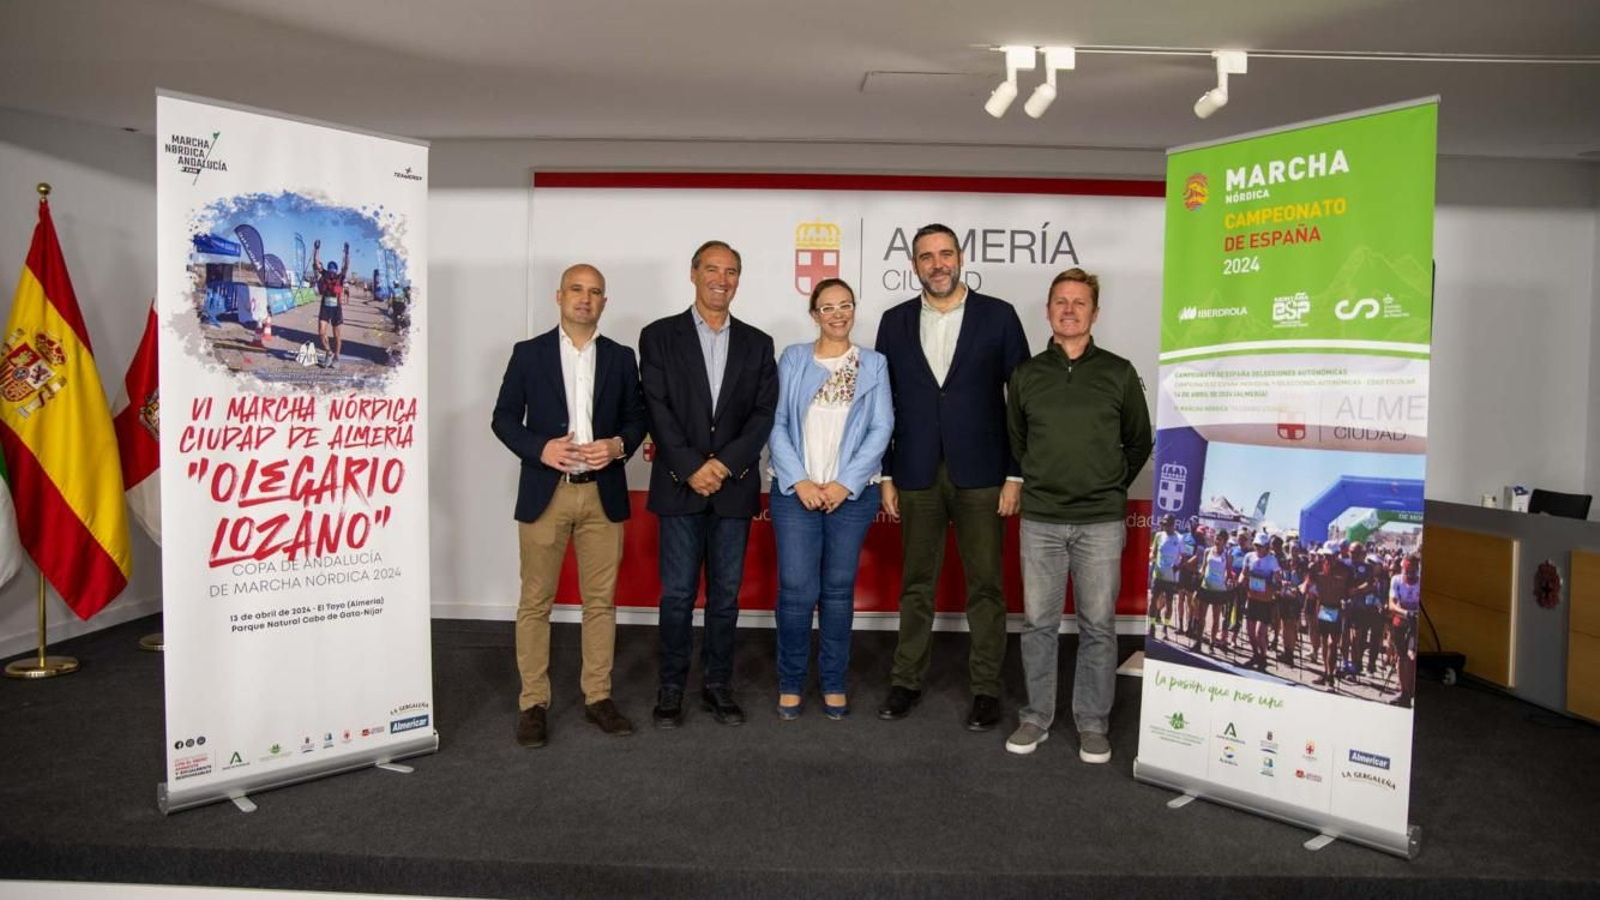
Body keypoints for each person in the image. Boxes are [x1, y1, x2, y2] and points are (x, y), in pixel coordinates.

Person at [873, 223, 1029, 731]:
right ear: (913, 264)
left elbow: (1021, 401)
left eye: (944, 254)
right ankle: (906, 681)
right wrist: (887, 475)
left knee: (986, 587)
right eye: (926, 257)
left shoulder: (999, 316)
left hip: (983, 472)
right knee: (917, 585)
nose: (937, 264)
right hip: (916, 472)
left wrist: (1015, 474)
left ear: (959, 257)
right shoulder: (893, 322)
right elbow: (885, 405)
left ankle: (986, 688)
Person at [491, 263, 647, 748]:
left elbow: (638, 417)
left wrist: (618, 445)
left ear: (604, 303)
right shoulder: (529, 353)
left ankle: (597, 696)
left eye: (595, 292)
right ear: (559, 296)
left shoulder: (621, 358)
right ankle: (533, 703)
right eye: (577, 290)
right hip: (546, 490)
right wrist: (540, 448)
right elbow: (502, 418)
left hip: (602, 493)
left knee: (600, 603)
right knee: (535, 602)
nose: (585, 298)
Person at [1005, 267, 1153, 762]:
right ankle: (1036, 717)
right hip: (1042, 518)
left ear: (1095, 312)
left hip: (1100, 522)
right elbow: (1018, 441)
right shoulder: (1026, 374)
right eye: (1060, 301)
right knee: (1038, 624)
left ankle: (1092, 722)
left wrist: (1108, 485)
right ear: (1048, 310)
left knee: (1097, 626)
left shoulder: (1118, 371)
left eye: (1079, 302)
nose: (1069, 309)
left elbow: (1138, 442)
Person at [639, 240, 778, 728]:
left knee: (725, 596)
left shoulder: (759, 343)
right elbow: (657, 407)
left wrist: (724, 466)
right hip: (679, 485)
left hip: (734, 488)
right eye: (713, 269)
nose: (722, 279)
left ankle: (719, 685)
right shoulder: (658, 336)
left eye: (732, 271)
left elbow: (763, 414)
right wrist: (691, 466)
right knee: (677, 595)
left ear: (739, 279)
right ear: (693, 273)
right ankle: (671, 687)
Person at [767, 278, 893, 720]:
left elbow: (881, 428)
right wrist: (800, 480)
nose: (838, 313)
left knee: (838, 593)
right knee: (797, 591)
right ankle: (791, 681)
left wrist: (846, 483)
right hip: (794, 494)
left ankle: (834, 681)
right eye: (828, 307)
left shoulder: (873, 364)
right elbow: (777, 423)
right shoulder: (795, 358)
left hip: (851, 497)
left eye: (846, 305)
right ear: (814, 313)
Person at [1241, 532, 1281, 671]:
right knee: (1250, 632)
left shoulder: (1272, 560)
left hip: (1265, 601)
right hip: (1252, 599)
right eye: (1256, 545)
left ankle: (1263, 657)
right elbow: (1244, 573)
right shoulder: (1249, 557)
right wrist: (1240, 581)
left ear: (1266, 547)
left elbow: (1278, 580)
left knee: (1259, 633)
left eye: (1261, 546)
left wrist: (1272, 587)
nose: (1258, 548)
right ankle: (1255, 655)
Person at [1387, 554, 1421, 707]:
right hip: (1401, 620)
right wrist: (1406, 613)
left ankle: (1411, 689)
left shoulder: (1420, 582)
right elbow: (1392, 605)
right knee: (1401, 656)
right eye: (1407, 570)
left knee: (1412, 656)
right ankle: (1404, 692)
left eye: (1413, 570)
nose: (1409, 573)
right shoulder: (1396, 580)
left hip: (1416, 622)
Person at [310, 239, 348, 368]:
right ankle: (328, 352)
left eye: (333, 271)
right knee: (321, 332)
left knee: (337, 335)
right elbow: (316, 263)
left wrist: (347, 254)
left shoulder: (340, 278)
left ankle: (337, 357)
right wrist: (316, 249)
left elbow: (346, 267)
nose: (331, 272)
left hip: (336, 309)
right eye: (330, 270)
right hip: (325, 307)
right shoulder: (324, 274)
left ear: (336, 271)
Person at [1149, 515, 1184, 640]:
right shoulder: (1159, 536)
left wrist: (1178, 565)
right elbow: (1154, 551)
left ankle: (1165, 628)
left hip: (1171, 577)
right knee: (1153, 601)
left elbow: (1183, 556)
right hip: (1158, 575)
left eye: (1168, 524)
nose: (1165, 527)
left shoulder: (1179, 538)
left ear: (1173, 524)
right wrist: (1152, 556)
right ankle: (1152, 626)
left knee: (1169, 605)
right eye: (1164, 524)